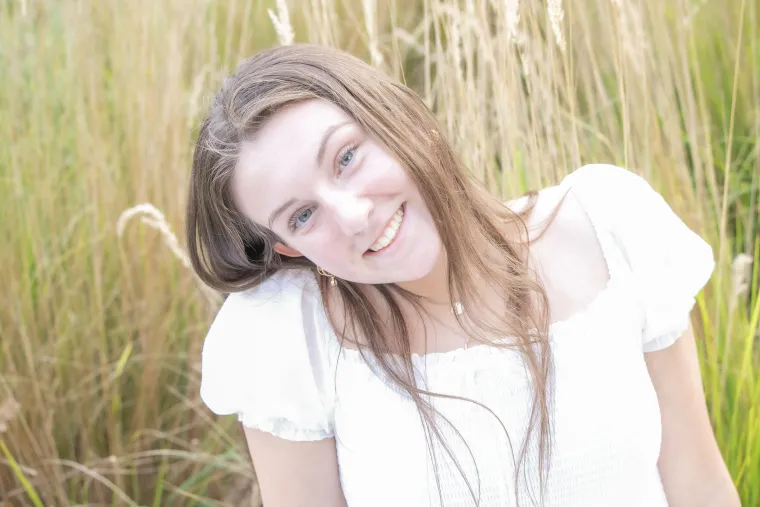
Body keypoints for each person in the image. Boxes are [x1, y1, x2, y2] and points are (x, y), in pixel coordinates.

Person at [186, 44, 738, 507]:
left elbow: (701, 486)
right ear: (289, 247)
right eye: (303, 216)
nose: (354, 217)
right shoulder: (291, 336)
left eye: (346, 157)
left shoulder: (607, 227)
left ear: (394, 116)